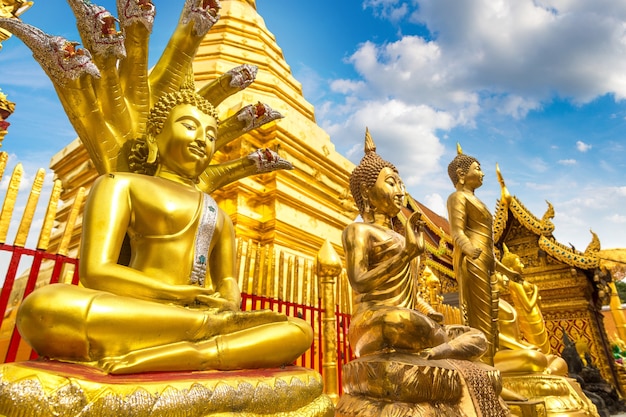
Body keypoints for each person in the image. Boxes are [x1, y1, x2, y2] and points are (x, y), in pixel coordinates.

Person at [16, 83, 313, 374]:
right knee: (44, 307)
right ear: (156, 135)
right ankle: (207, 337)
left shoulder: (218, 215)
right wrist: (177, 294)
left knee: (299, 330)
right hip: (138, 307)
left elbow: (226, 280)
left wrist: (228, 304)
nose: (202, 140)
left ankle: (199, 353)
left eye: (211, 135)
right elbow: (96, 270)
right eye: (189, 126)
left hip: (198, 313)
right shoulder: (119, 184)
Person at [342, 129, 486, 361]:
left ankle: (440, 350)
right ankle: (442, 349)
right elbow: (359, 281)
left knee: (477, 336)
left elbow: (410, 294)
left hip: (410, 320)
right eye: (391, 183)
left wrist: (431, 313)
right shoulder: (358, 230)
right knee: (399, 321)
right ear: (366, 192)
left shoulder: (402, 237)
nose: (401, 192)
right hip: (375, 323)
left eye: (401, 184)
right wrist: (406, 254)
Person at [446, 146, 519, 365]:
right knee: (481, 319)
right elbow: (456, 231)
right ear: (461, 174)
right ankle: (483, 367)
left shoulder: (478, 202)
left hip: (486, 261)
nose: (482, 173)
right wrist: (467, 248)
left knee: (493, 318)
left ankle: (491, 364)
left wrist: (507, 271)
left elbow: (488, 244)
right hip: (474, 260)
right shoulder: (457, 197)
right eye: (478, 169)